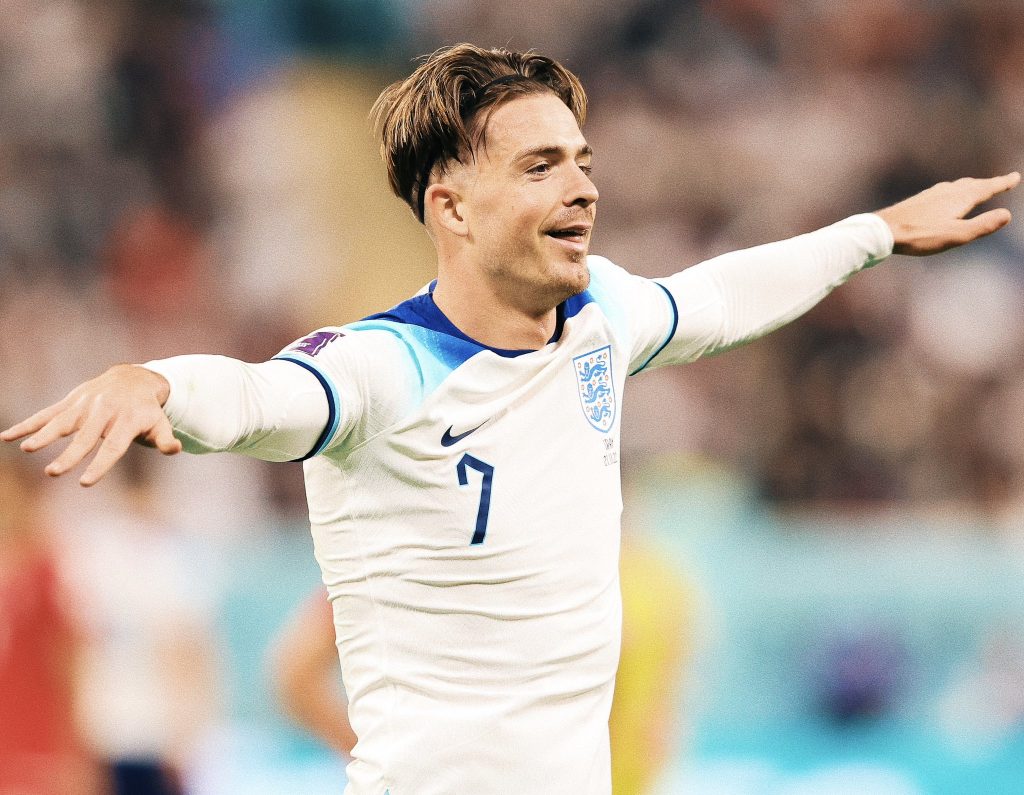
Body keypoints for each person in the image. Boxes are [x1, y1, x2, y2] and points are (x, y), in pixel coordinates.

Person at [1, 43, 1018, 795]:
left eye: (580, 160)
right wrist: (157, 382)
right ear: (451, 207)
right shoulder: (380, 366)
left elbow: (717, 296)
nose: (582, 188)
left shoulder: (602, 316)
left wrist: (877, 232)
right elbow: (263, 396)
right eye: (539, 166)